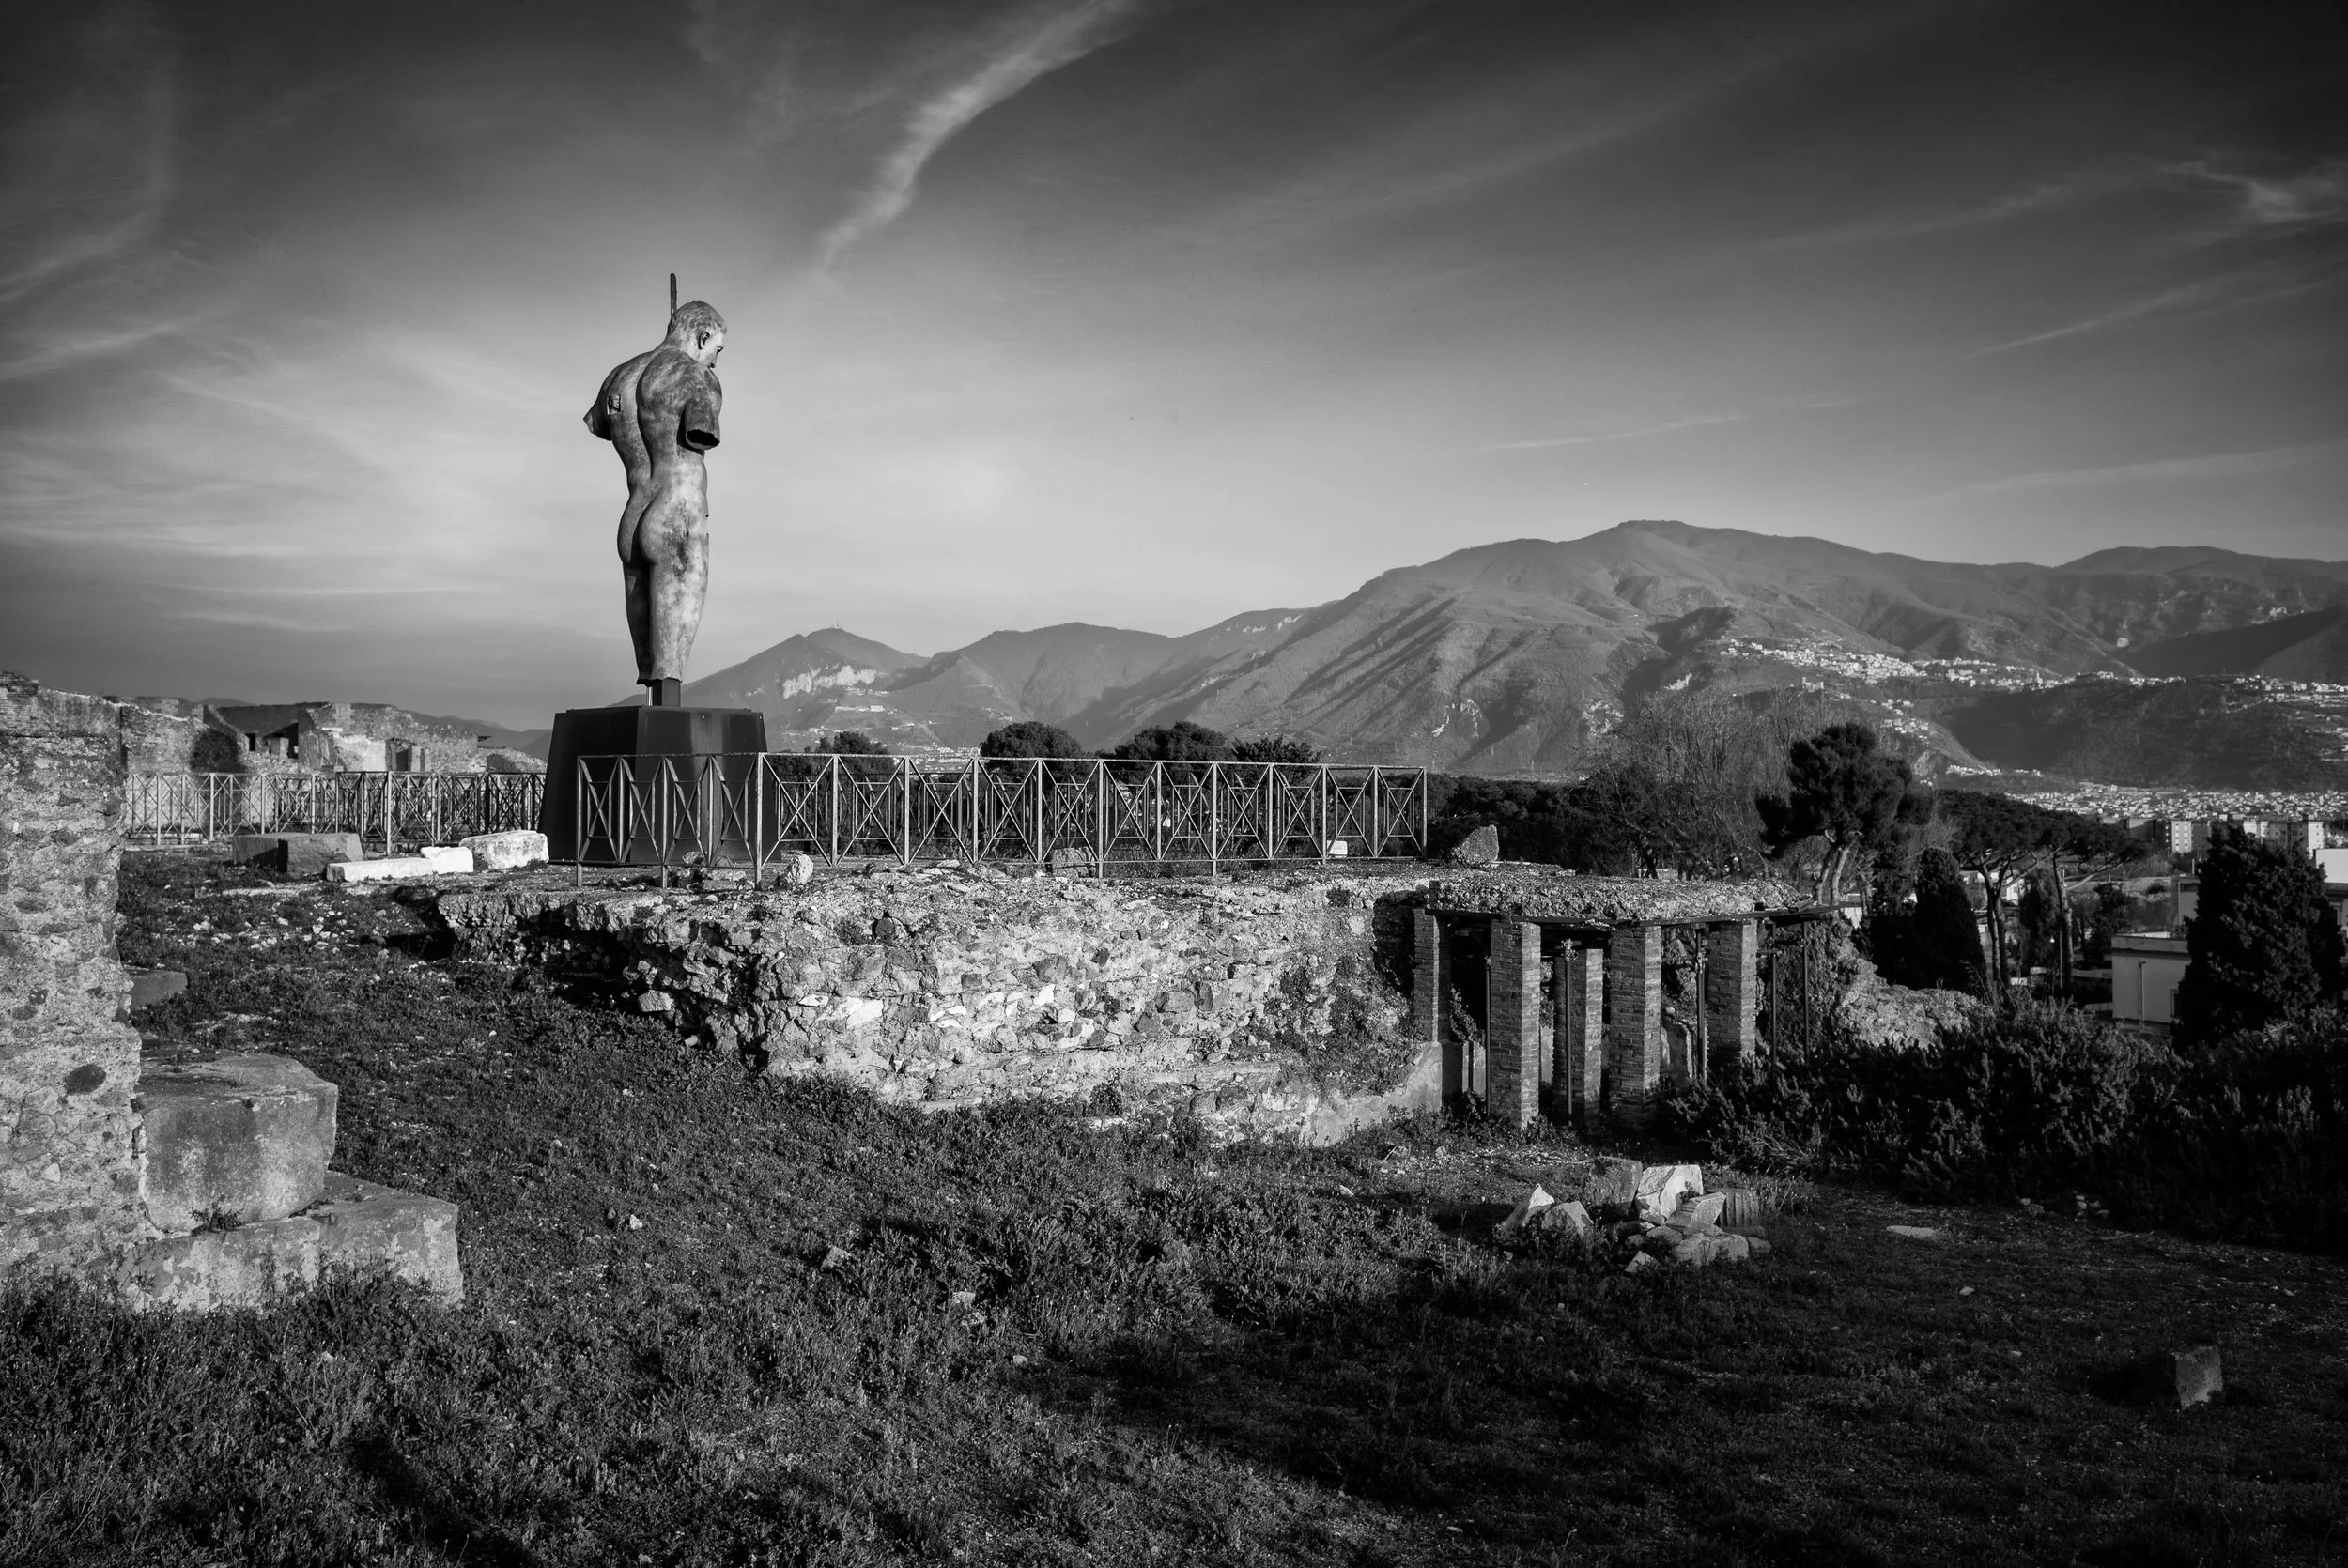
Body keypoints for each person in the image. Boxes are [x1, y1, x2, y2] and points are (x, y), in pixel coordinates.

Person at [584, 300, 725, 700]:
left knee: (648, 658)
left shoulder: (619, 377)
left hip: (633, 513)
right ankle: (667, 702)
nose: (715, 361)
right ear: (701, 337)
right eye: (716, 349)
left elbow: (599, 424)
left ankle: (649, 682)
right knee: (670, 663)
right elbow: (701, 432)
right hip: (677, 511)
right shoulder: (695, 375)